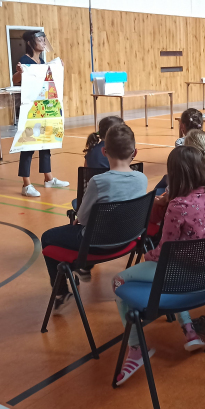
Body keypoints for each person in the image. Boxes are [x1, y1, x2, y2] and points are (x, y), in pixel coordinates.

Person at [112, 146, 205, 385]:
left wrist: (147, 255)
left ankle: (135, 347)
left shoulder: (178, 205)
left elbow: (163, 252)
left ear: (175, 173)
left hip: (180, 275)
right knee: (166, 273)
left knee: (118, 281)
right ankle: (189, 331)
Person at [41, 125, 147, 310]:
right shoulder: (141, 179)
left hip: (97, 245)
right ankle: (80, 270)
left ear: (104, 152)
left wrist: (80, 219)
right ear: (135, 152)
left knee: (47, 237)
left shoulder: (98, 181)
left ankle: (61, 292)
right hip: (128, 240)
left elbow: (82, 217)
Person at [14, 30, 69, 197]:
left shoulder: (42, 61)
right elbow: (15, 79)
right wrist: (19, 73)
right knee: (28, 145)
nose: (43, 43)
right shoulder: (25, 60)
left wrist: (57, 68)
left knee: (46, 143)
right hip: (32, 110)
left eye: (44, 40)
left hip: (45, 108)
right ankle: (26, 184)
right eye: (40, 40)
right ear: (30, 43)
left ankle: (48, 178)